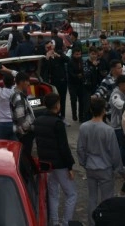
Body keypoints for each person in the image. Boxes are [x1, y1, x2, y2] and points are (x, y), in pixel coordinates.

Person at [78, 96, 123, 225]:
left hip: (90, 167)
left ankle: (92, 222)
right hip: (105, 168)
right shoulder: (108, 130)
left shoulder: (83, 127)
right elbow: (114, 152)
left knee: (92, 198)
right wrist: (118, 169)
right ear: (104, 111)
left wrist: (83, 162)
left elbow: (80, 149)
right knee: (107, 199)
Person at [34, 93, 77, 226]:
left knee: (53, 193)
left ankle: (54, 221)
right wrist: (70, 166)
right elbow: (64, 147)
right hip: (60, 164)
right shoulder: (57, 123)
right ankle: (65, 222)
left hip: (46, 164)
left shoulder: (38, 120)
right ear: (57, 105)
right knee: (71, 194)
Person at [42, 41, 69, 122]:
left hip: (62, 81)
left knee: (63, 99)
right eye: (47, 48)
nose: (49, 49)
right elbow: (43, 70)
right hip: (53, 82)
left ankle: (63, 117)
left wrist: (58, 55)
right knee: (54, 100)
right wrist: (47, 58)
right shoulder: (45, 57)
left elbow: (68, 60)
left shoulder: (59, 53)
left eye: (50, 47)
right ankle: (55, 117)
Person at [10, 71, 36, 156]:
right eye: (27, 81)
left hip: (23, 133)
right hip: (25, 134)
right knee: (25, 157)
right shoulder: (18, 97)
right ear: (21, 82)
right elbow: (21, 119)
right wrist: (32, 127)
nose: (28, 84)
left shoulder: (18, 94)